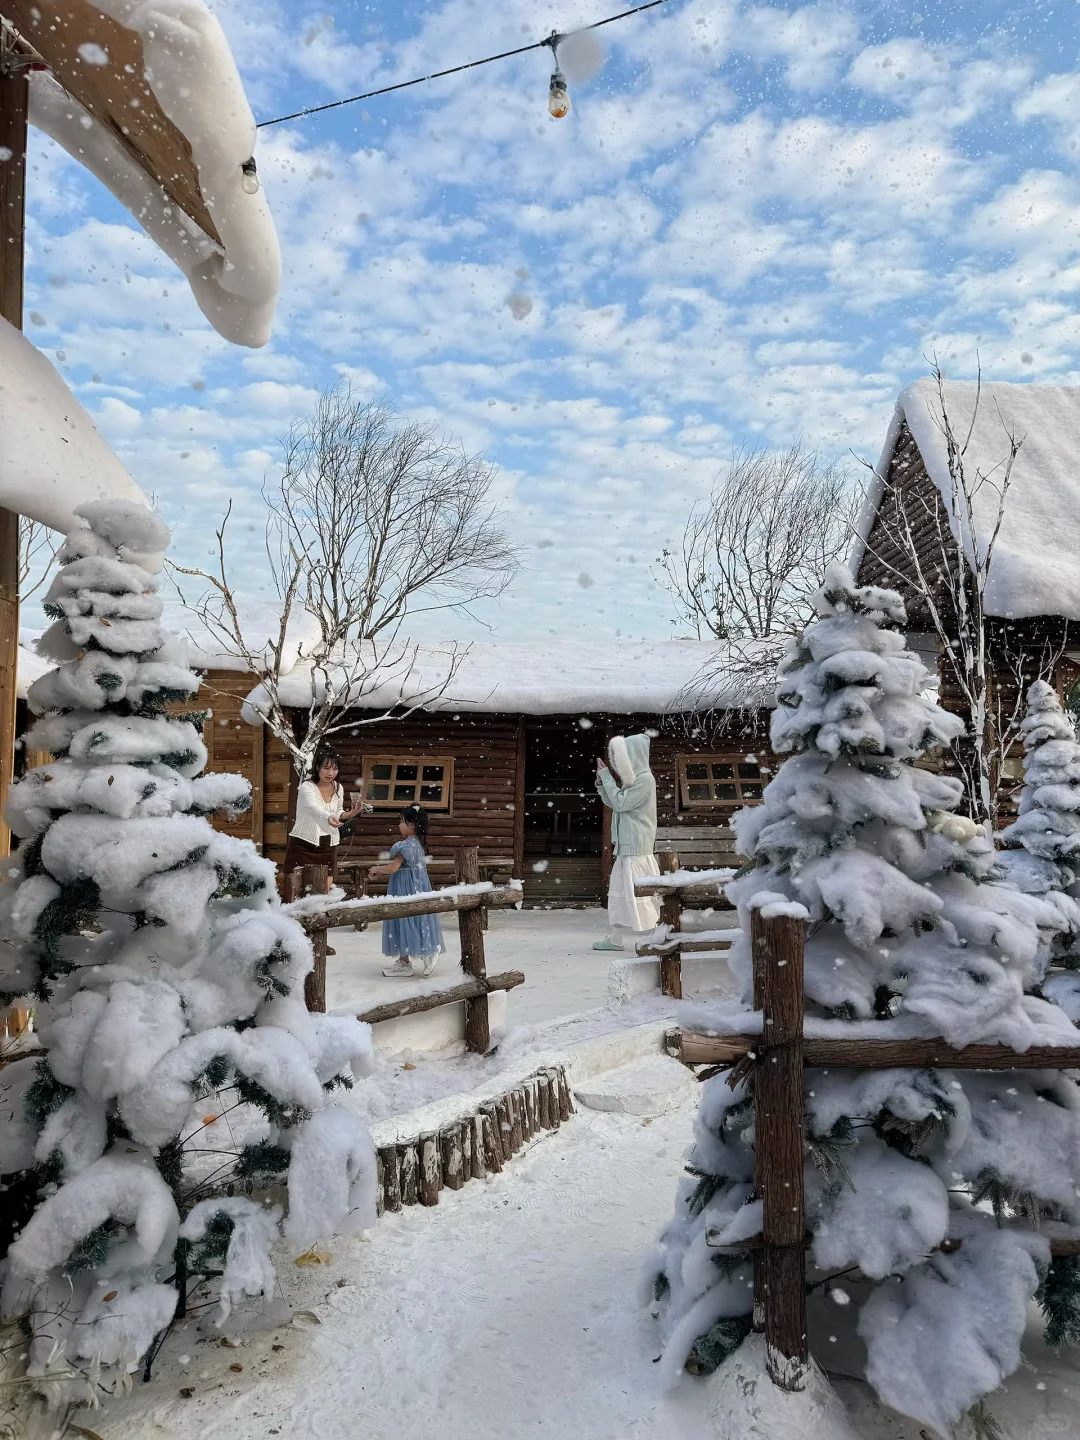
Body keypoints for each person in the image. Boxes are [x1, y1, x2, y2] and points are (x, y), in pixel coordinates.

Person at [593, 732, 661, 951]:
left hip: (637, 849)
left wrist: (607, 779)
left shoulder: (645, 780)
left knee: (640, 896)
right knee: (620, 894)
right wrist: (603, 785)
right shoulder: (634, 780)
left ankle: (654, 937)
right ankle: (616, 938)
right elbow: (615, 802)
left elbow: (622, 804)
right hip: (627, 848)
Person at [369, 803, 445, 978]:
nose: (399, 825)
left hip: (406, 889)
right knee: (409, 920)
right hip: (416, 886)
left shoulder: (405, 846)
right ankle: (404, 962)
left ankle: (429, 951)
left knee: (406, 920)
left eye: (401, 822)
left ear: (411, 825)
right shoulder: (417, 844)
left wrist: (377, 869)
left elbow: (393, 868)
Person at [284, 748, 365, 894]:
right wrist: (327, 817)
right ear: (317, 768)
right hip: (303, 841)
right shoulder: (306, 787)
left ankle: (320, 916)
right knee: (299, 890)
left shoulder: (338, 788)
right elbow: (312, 807)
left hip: (328, 843)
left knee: (324, 889)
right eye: (326, 768)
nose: (331, 773)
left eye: (335, 768)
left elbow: (338, 812)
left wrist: (352, 813)